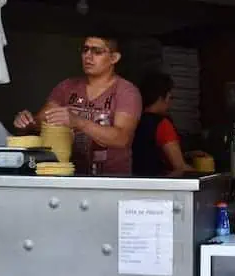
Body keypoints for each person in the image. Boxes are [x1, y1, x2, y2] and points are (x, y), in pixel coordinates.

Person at [13, 36, 142, 176]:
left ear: (114, 58)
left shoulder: (126, 91)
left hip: (110, 181)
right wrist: (27, 122)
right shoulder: (67, 87)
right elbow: (41, 122)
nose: (88, 56)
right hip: (67, 176)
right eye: (85, 50)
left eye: (97, 51)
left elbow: (122, 138)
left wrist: (78, 122)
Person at [132, 72, 195, 176]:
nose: (170, 103)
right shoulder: (162, 124)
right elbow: (180, 167)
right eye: (170, 98)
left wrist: (188, 154)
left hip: (132, 182)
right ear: (162, 98)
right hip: (157, 185)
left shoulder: (132, 120)